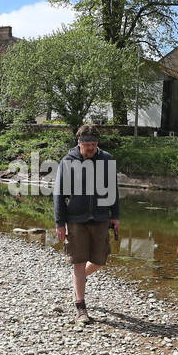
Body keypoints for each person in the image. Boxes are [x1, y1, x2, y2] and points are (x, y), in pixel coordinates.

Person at [53, 124, 120, 325]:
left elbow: (113, 190)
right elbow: (58, 194)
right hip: (75, 219)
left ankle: (78, 279)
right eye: (87, 144)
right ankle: (81, 307)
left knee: (99, 261)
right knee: (79, 262)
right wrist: (60, 223)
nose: (91, 148)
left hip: (100, 218)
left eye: (94, 144)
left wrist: (115, 216)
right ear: (79, 143)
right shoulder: (67, 161)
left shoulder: (106, 159)